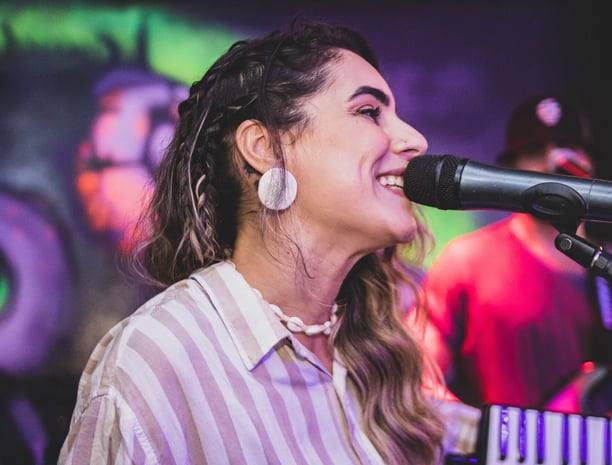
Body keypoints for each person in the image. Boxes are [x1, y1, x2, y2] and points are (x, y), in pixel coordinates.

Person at [58, 21, 451, 465]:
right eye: (368, 111)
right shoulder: (160, 356)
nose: (415, 140)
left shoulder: (370, 350)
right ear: (263, 146)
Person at [408, 94, 612, 414]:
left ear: (589, 163)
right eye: (534, 152)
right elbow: (414, 375)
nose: (554, 161)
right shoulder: (468, 260)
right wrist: (483, 435)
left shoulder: (606, 271)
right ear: (512, 169)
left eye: (568, 146)